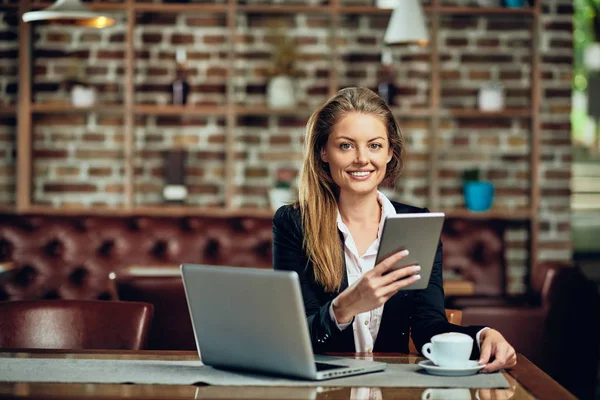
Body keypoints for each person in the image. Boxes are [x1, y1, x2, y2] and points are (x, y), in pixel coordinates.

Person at [272, 87, 517, 373]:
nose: (362, 158)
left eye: (374, 145)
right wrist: (344, 307)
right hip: (324, 387)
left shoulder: (417, 225)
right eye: (346, 145)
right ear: (324, 152)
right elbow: (295, 336)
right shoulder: (294, 223)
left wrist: (483, 335)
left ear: (390, 152)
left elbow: (429, 327)